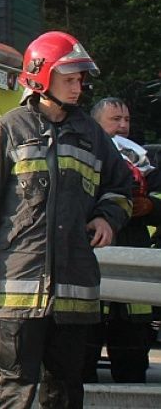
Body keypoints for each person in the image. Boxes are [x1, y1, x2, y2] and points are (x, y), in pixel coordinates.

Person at [0, 31, 133, 409]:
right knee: (13, 388)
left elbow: (122, 188)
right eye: (69, 78)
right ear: (41, 77)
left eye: (80, 79)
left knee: (67, 390)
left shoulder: (91, 134)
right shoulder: (8, 129)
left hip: (75, 291)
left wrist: (107, 218)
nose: (78, 87)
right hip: (23, 287)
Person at [81, 97, 161, 383]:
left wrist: (151, 206)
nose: (124, 126)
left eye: (126, 119)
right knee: (81, 366)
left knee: (132, 366)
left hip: (132, 272)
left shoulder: (145, 159)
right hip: (92, 270)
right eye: (116, 119)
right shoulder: (83, 154)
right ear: (96, 123)